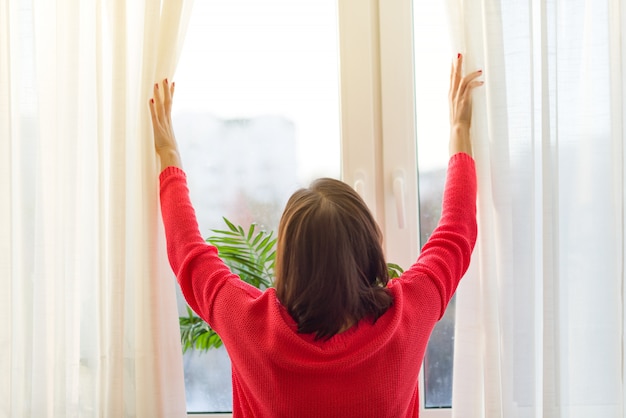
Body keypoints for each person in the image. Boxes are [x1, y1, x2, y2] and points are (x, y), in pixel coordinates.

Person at [149, 54, 482, 418]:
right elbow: (456, 232)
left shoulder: (249, 323)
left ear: (291, 261)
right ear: (369, 246)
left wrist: (168, 154)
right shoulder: (407, 314)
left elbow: (189, 253)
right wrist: (459, 131)